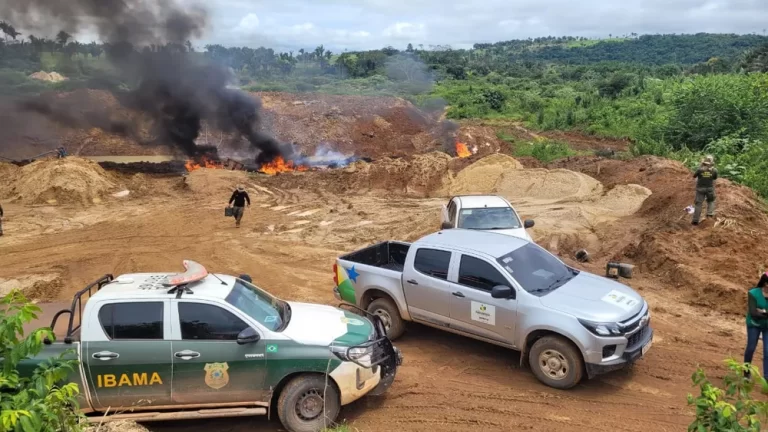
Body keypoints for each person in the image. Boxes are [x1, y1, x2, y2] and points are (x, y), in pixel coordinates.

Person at [744, 274, 768, 379]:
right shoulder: (753, 293)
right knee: (751, 348)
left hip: (767, 325)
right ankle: (746, 371)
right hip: (754, 324)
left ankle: (767, 377)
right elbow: (753, 313)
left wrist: (762, 312)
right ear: (766, 284)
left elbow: (758, 313)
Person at [692, 155, 718, 225]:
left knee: (698, 204)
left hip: (700, 189)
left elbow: (694, 176)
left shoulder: (700, 169)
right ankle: (709, 215)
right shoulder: (714, 170)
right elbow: (715, 178)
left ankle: (695, 220)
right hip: (709, 188)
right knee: (711, 201)